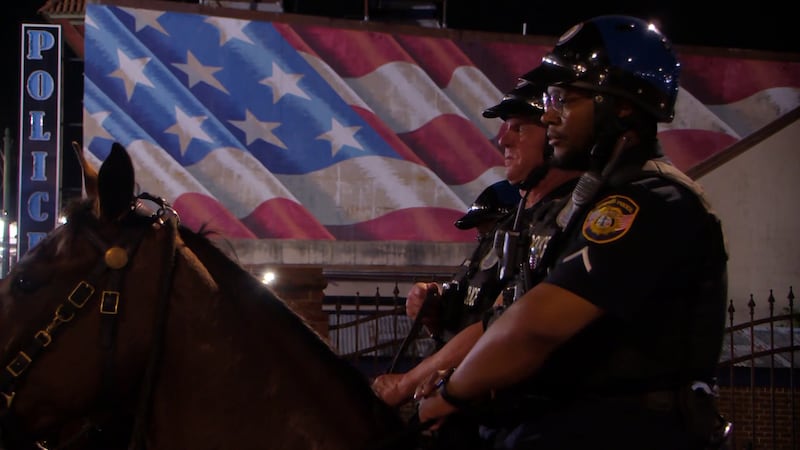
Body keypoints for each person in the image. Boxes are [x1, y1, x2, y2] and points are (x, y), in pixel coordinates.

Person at [416, 15, 730, 450]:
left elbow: (534, 327)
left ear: (620, 105)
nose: (549, 114)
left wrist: (450, 394)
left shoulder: (652, 203)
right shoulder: (592, 203)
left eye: (563, 98)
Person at [372, 80, 582, 446]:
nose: (504, 141)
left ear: (553, 134)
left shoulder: (573, 218)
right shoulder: (524, 219)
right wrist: (437, 301)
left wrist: (410, 384)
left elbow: (504, 321)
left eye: (519, 128)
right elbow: (484, 302)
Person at [411, 179, 521, 347]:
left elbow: (490, 333)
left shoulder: (519, 276)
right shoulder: (474, 268)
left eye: (489, 235)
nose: (484, 245)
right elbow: (451, 331)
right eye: (481, 237)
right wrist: (432, 315)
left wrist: (419, 373)